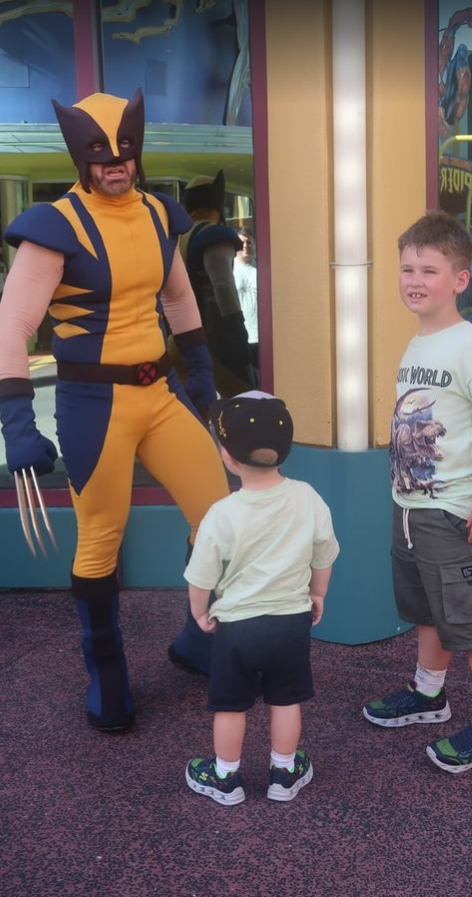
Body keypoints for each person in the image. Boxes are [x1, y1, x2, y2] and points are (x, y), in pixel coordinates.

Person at [0, 89, 230, 731]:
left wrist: (202, 375)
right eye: (100, 152)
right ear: (80, 155)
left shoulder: (158, 214)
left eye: (124, 149)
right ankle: (106, 672)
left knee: (218, 518)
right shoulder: (57, 226)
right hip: (93, 402)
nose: (115, 163)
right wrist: (17, 423)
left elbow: (179, 300)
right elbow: (12, 326)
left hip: (160, 392)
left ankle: (198, 639)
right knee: (100, 537)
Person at [363, 210, 472, 774]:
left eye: (429, 270)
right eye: (407, 269)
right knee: (425, 607)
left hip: (453, 511)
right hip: (411, 506)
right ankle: (428, 692)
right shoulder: (420, 342)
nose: (414, 280)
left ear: (461, 279)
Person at [183, 391, 339, 804]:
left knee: (230, 705)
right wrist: (318, 593)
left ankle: (225, 777)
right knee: (286, 700)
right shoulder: (307, 497)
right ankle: (284, 773)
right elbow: (324, 553)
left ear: (227, 457)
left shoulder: (222, 513)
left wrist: (199, 612)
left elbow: (201, 576)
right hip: (290, 622)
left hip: (237, 627)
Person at [172, 170, 255, 397]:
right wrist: (236, 329)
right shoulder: (213, 234)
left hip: (177, 340)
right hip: (213, 341)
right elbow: (223, 285)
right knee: (242, 401)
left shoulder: (177, 238)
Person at [233, 226, 259, 375]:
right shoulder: (230, 267)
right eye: (242, 242)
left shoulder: (262, 267)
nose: (245, 246)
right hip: (240, 336)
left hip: (260, 335)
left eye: (249, 242)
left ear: (254, 243)